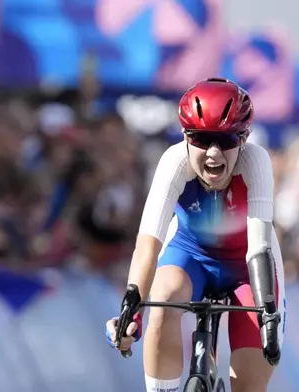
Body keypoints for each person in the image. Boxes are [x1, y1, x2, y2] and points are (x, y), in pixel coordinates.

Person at [104, 78, 284, 392]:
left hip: (247, 266)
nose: (214, 154)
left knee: (250, 382)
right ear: (186, 137)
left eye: (227, 139)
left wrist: (268, 315)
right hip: (190, 255)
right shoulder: (174, 161)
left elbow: (258, 248)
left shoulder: (256, 161)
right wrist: (130, 309)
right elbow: (148, 245)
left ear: (245, 138)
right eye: (202, 139)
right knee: (161, 302)